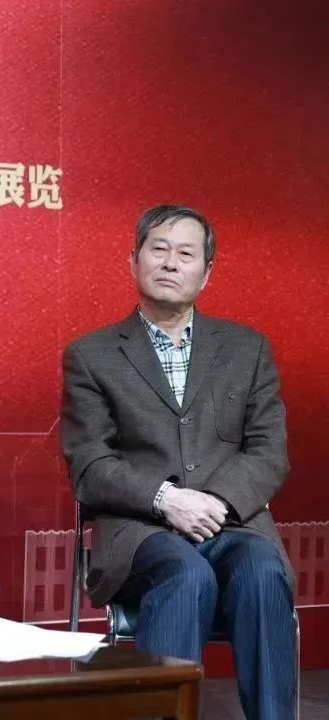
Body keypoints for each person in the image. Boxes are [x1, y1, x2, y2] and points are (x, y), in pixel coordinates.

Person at [61, 205, 295, 719]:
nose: (170, 263)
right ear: (134, 261)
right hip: (141, 531)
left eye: (186, 254)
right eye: (159, 249)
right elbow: (89, 464)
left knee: (261, 570)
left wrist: (214, 503)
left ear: (206, 273)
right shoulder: (92, 355)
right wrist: (166, 499)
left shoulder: (247, 349)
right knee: (185, 573)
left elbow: (268, 451)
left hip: (232, 523)